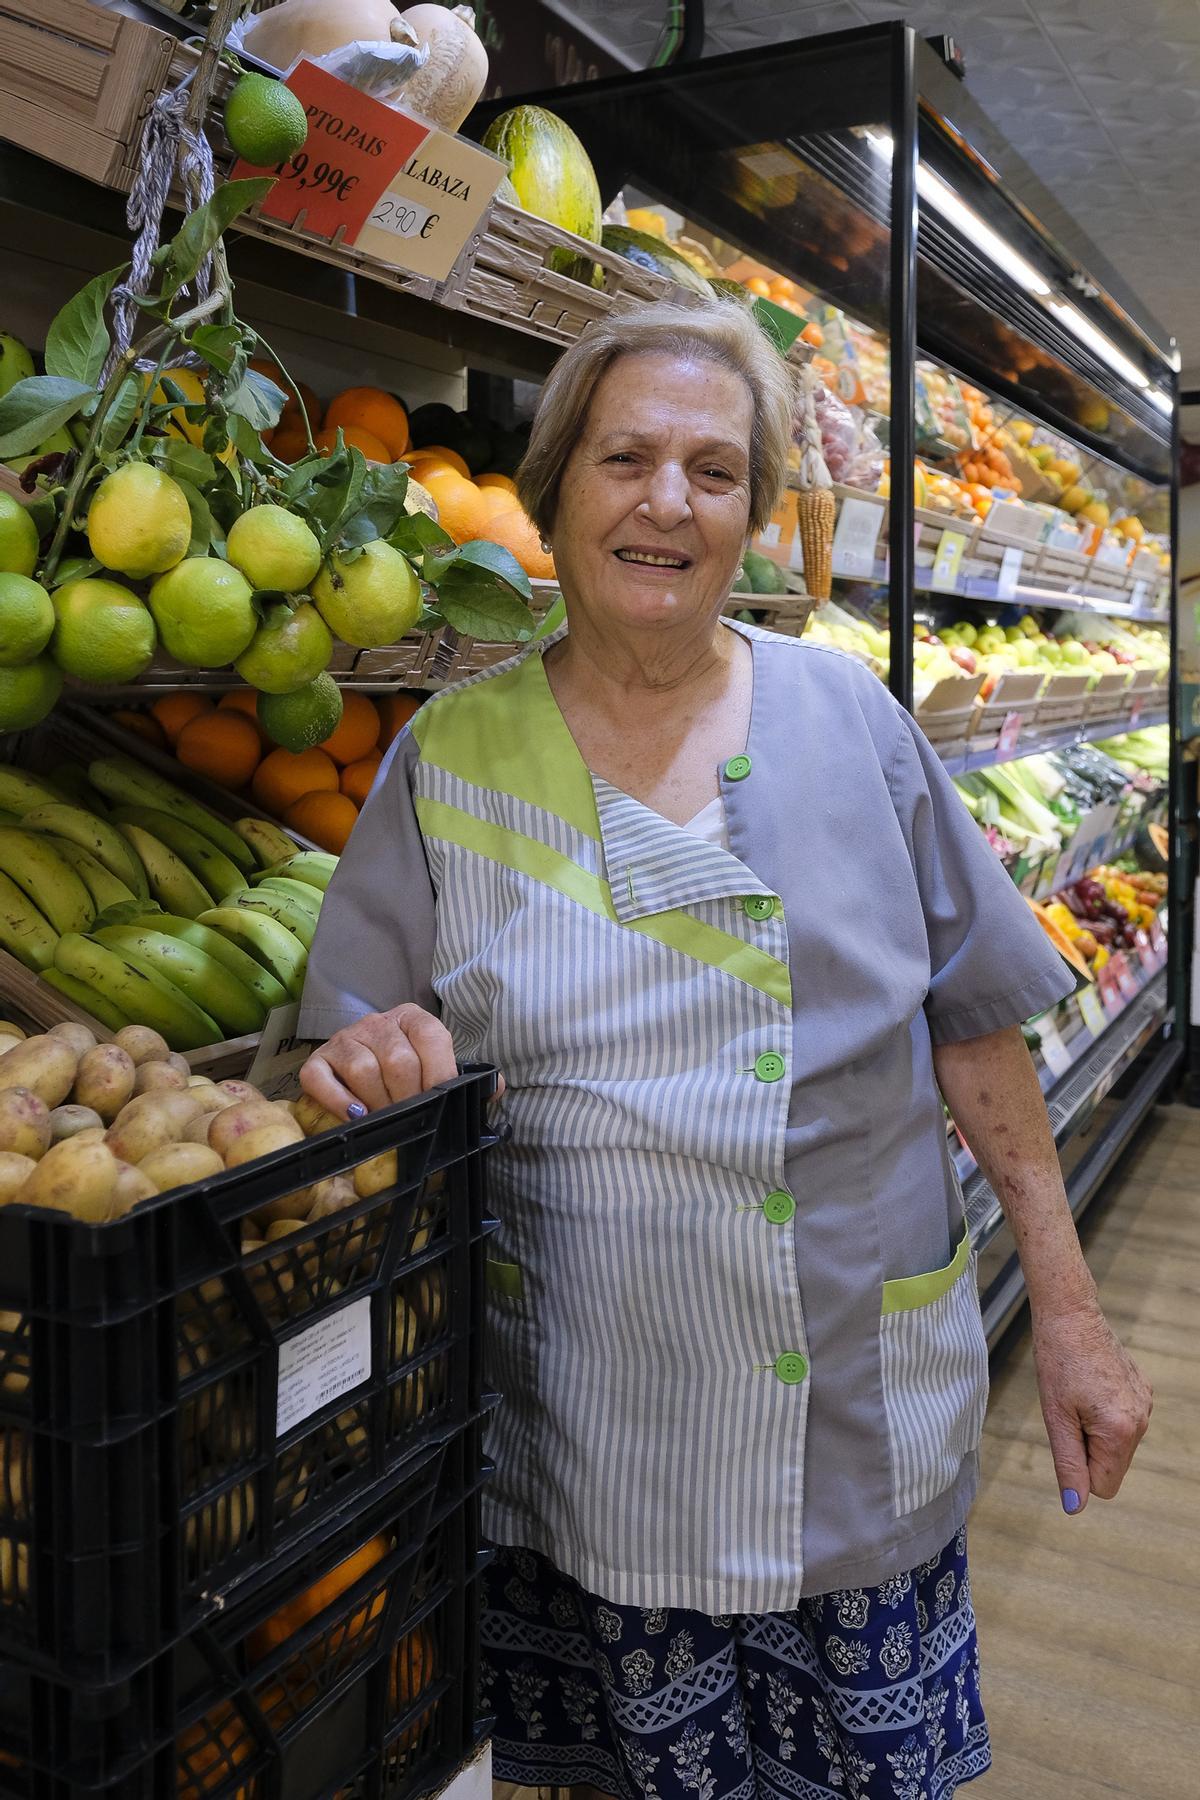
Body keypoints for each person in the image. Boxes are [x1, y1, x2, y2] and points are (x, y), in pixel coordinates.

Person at [297, 299, 1152, 1800]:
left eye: (713, 469)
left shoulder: (853, 720)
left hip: (842, 1415)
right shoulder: (450, 756)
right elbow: (355, 1046)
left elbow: (976, 1028)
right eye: (626, 458)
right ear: (557, 489)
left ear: (756, 514)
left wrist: (1071, 1314)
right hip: (590, 1421)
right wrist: (370, 1059)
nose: (666, 504)